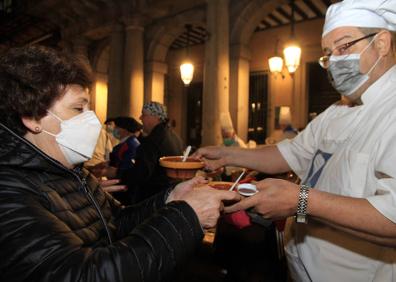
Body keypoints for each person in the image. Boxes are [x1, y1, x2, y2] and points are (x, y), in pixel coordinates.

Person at [0, 45, 241, 282]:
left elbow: (116, 221)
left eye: (88, 108)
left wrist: (171, 199)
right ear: (32, 118)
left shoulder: (72, 171)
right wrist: (186, 216)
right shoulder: (9, 191)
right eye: (78, 108)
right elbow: (82, 274)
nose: (91, 118)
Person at [195, 1, 396, 281]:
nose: (335, 61)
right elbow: (291, 153)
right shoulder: (338, 110)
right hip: (300, 269)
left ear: (382, 43)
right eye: (328, 54)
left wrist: (301, 201)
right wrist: (228, 155)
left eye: (344, 46)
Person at [121, 101, 185, 203]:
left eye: (144, 114)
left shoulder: (153, 140)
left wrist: (117, 173)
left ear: (155, 117)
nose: (140, 118)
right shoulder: (174, 137)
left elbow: (141, 174)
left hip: (153, 198)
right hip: (170, 194)